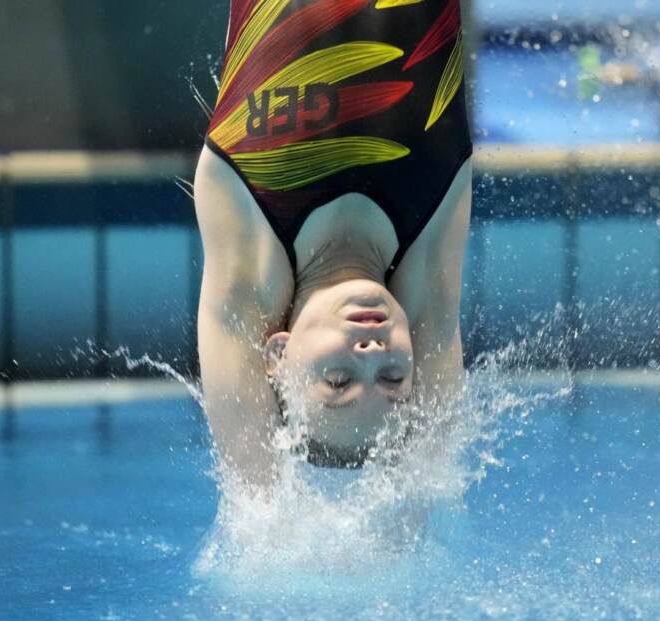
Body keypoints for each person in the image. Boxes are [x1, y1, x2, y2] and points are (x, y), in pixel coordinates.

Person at [195, 0, 472, 486]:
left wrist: (266, 507)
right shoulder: (427, 231)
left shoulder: (251, 233)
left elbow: (253, 506)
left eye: (338, 380)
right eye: (392, 378)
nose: (371, 350)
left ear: (278, 357)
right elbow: (435, 462)